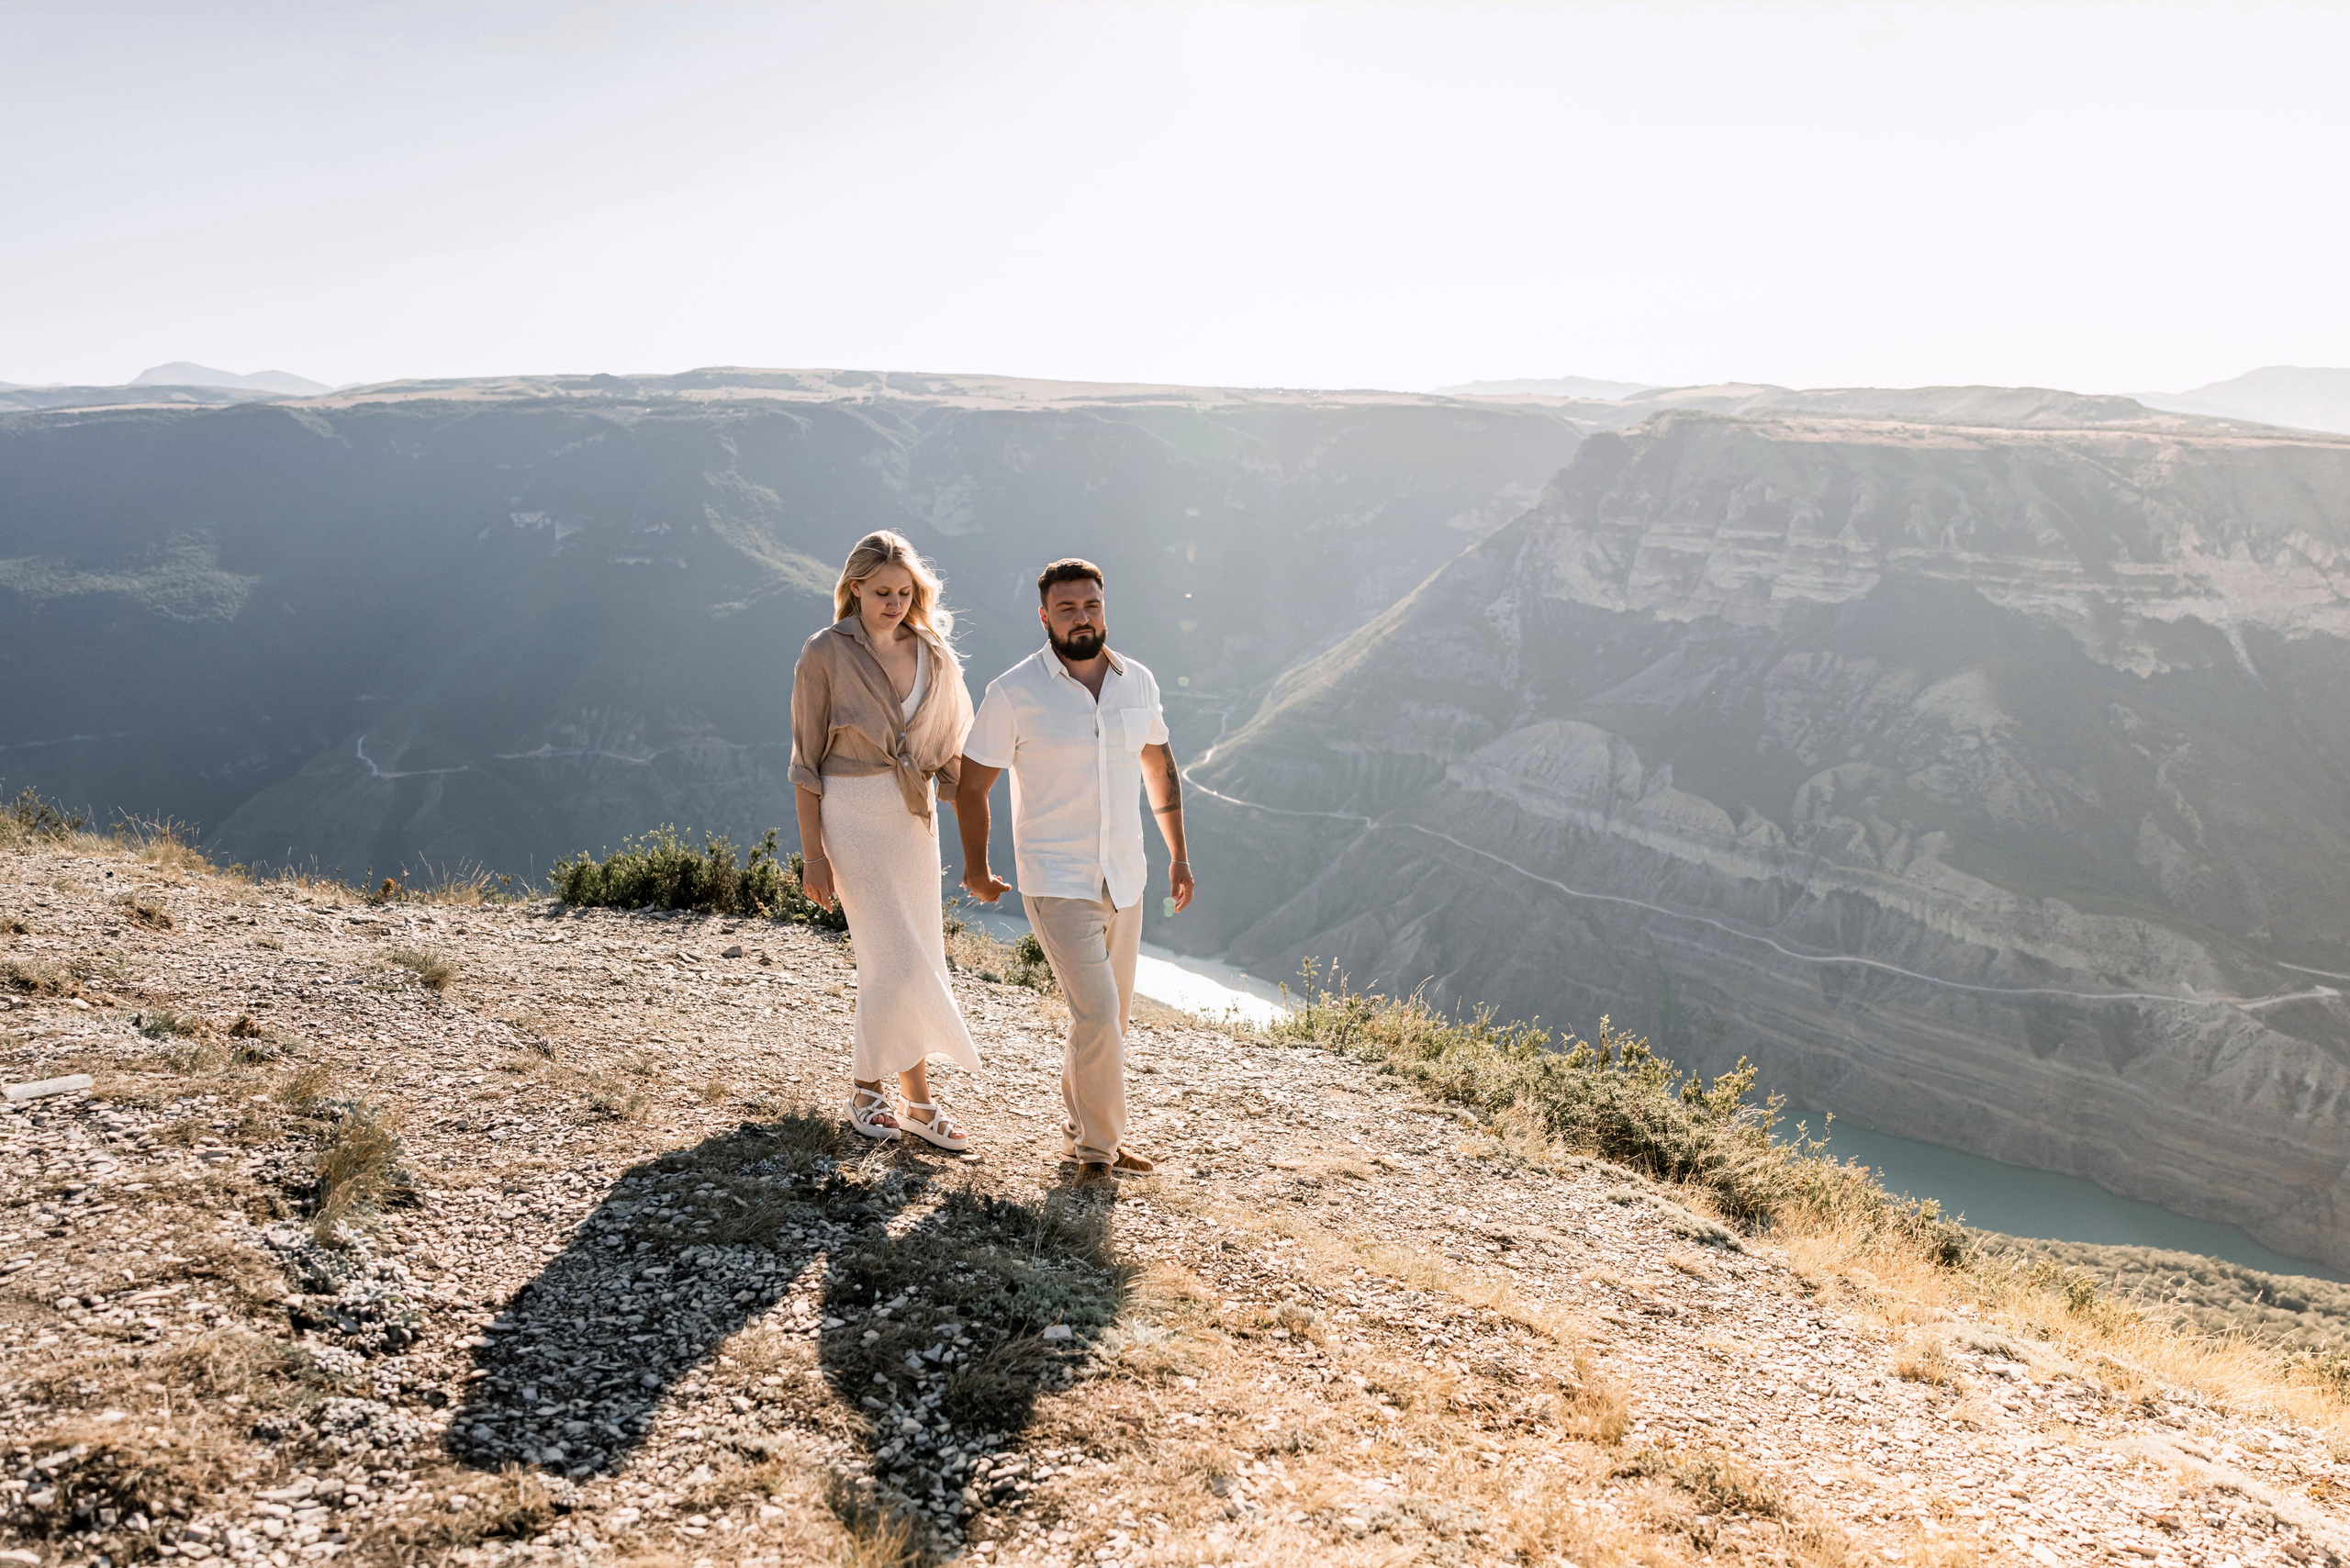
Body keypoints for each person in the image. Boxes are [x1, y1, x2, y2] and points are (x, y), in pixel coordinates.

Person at [955, 557, 1194, 1179]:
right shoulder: (1012, 693)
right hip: (1057, 883)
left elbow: (1159, 767)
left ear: (1103, 608)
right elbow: (971, 785)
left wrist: (1179, 855)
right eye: (1067, 608)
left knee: (1108, 1017)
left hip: (1127, 877)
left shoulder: (1137, 681)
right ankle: (1098, 1152)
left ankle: (1084, 1127)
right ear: (1045, 617)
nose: (1082, 617)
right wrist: (977, 870)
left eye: (1091, 605)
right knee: (1096, 1015)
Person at [789, 530, 980, 1150]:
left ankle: (898, 1098)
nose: (893, 603)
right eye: (881, 592)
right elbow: (804, 763)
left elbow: (954, 750)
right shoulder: (824, 652)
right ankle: (887, 1095)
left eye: (904, 592)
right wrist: (813, 855)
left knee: (911, 956)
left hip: (912, 819)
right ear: (854, 589)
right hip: (850, 815)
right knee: (895, 961)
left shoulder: (934, 653)